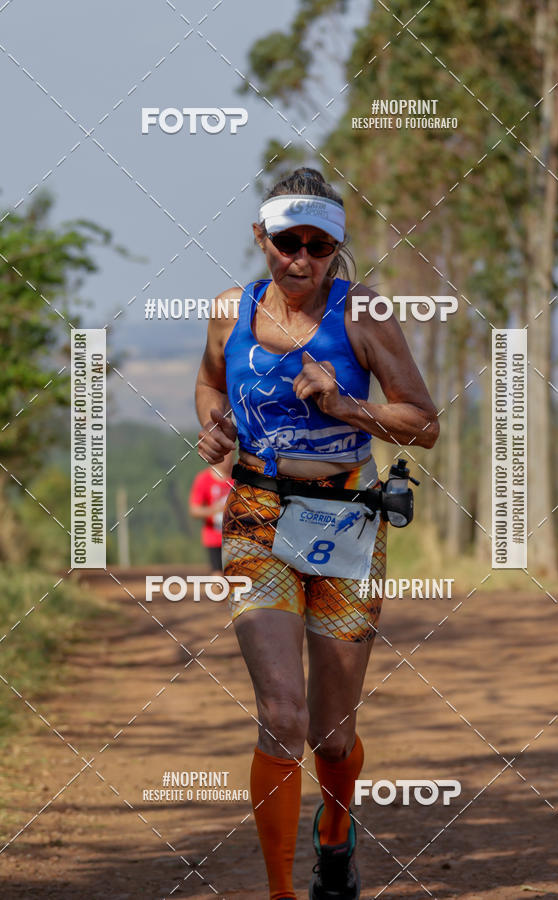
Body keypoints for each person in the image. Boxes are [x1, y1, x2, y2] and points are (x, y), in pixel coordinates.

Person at [194, 167, 439, 900]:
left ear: (336, 247)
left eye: (318, 246)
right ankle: (279, 892)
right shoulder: (228, 312)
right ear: (260, 238)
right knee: (282, 715)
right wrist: (212, 425)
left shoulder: (363, 315)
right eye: (287, 243)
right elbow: (210, 381)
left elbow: (422, 422)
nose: (300, 260)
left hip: (346, 521)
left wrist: (342, 406)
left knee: (330, 735)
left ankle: (336, 834)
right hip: (258, 516)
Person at [188, 452, 233, 573]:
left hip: (236, 538)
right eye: (225, 454)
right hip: (214, 538)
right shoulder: (203, 479)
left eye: (231, 455)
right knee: (218, 577)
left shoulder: (239, 478)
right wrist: (215, 509)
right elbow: (194, 510)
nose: (228, 459)